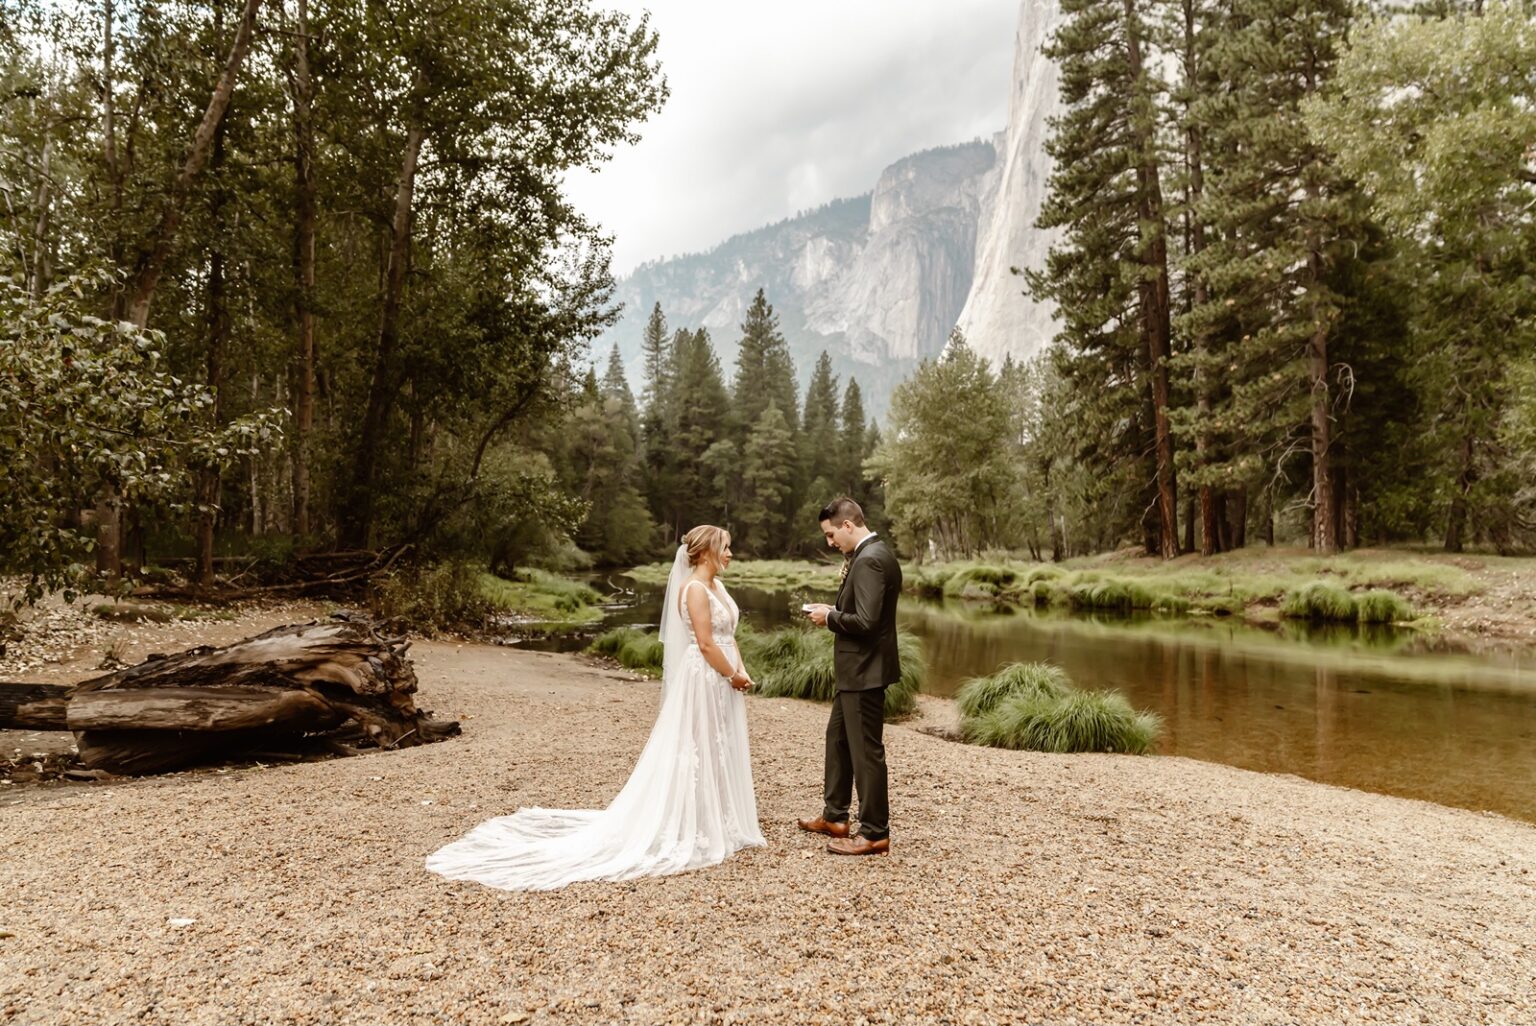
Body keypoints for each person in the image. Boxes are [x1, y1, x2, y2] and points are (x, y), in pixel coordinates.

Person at [425, 525, 765, 890]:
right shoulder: (695, 589)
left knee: (720, 743)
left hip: (726, 677)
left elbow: (728, 637)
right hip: (707, 677)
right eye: (726, 548)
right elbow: (706, 644)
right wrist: (733, 675)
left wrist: (741, 669)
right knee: (696, 744)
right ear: (705, 552)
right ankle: (692, 822)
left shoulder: (718, 586)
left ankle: (718, 817)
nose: (730, 554)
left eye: (730, 548)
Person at [799, 497, 902, 856]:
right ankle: (835, 816)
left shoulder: (871, 559)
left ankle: (875, 832)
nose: (830, 543)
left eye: (830, 535)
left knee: (866, 754)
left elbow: (868, 622)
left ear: (847, 525)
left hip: (865, 671)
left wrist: (829, 616)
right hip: (855, 671)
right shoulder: (869, 554)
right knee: (838, 741)